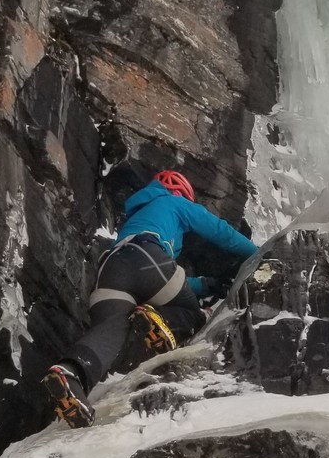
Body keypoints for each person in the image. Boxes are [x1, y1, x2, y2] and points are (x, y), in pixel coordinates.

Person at [42, 169, 258, 427]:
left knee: (110, 331)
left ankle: (72, 374)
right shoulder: (174, 202)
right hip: (148, 256)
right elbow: (221, 232)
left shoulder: (135, 218)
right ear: (180, 192)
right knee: (194, 315)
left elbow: (151, 274)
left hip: (110, 267)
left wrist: (205, 285)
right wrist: (259, 253)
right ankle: (159, 319)